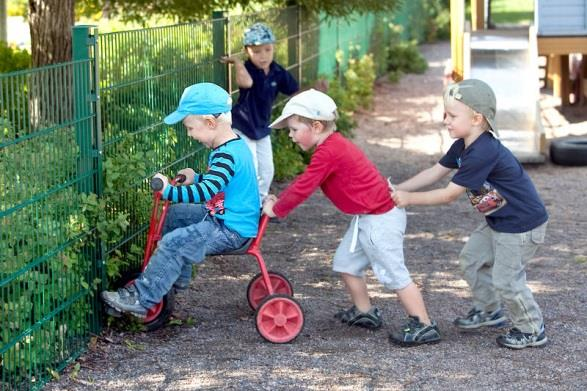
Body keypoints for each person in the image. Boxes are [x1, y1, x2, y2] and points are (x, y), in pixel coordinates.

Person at [262, 89, 441, 346]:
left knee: (394, 273)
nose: (290, 136)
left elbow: (304, 185)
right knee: (346, 263)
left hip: (380, 218)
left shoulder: (329, 151)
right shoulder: (330, 147)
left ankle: (423, 323)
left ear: (316, 125)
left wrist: (276, 208)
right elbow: (306, 183)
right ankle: (365, 312)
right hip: (367, 217)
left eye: (293, 129)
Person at [391, 79, 549, 349]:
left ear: (476, 118)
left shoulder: (483, 150)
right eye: (445, 114)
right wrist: (396, 188)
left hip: (522, 225)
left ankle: (532, 328)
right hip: (499, 221)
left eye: (452, 115)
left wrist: (407, 199)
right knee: (471, 260)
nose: (446, 121)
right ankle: (490, 311)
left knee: (507, 279)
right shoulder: (464, 144)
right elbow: (435, 172)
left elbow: (449, 194)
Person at [101, 82, 260, 317]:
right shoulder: (232, 145)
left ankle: (141, 300)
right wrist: (196, 177)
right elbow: (221, 181)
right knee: (176, 215)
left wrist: (168, 191)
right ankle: (173, 277)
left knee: (175, 242)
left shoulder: (226, 154)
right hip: (224, 217)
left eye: (190, 128)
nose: (189, 134)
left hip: (230, 230)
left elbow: (206, 191)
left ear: (210, 123)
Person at [220, 22, 299, 204]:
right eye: (256, 51)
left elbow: (293, 89)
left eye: (267, 50)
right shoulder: (248, 68)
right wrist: (238, 62)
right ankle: (249, 204)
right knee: (252, 167)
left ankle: (261, 201)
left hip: (262, 127)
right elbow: (246, 84)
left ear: (273, 48)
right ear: (247, 51)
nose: (263, 56)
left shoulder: (277, 71)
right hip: (243, 125)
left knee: (267, 169)